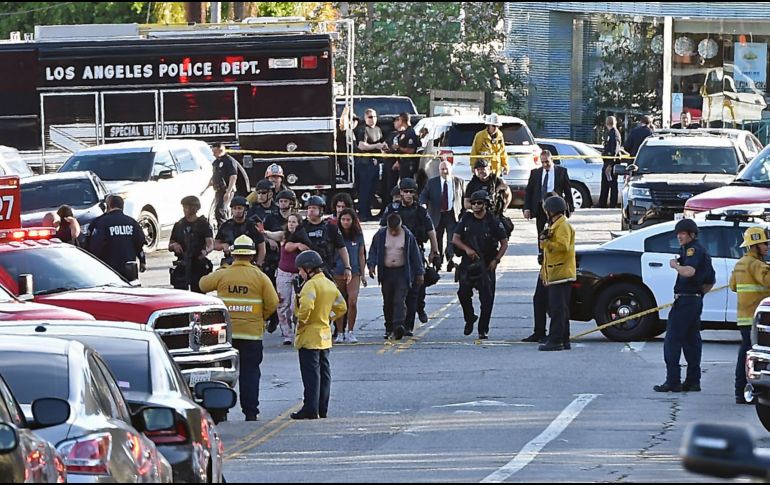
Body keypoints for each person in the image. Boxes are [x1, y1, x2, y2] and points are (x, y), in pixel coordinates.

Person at [199, 235, 279, 421]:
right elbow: (273, 302)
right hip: (251, 334)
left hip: (226, 336)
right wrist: (262, 317)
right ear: (251, 255)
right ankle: (250, 412)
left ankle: (221, 411)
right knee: (250, 372)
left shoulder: (224, 274)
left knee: (223, 372)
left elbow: (202, 285)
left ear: (233, 254)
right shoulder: (260, 277)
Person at [654, 219, 716, 392]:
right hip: (694, 301)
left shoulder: (693, 251)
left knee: (672, 340)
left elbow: (690, 272)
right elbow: (711, 280)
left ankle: (673, 381)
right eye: (677, 233)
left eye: (682, 233)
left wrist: (675, 265)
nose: (678, 236)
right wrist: (699, 295)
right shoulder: (700, 251)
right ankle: (693, 381)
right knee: (691, 340)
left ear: (692, 234)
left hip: (686, 301)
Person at [291, 250, 348, 420]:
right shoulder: (330, 284)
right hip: (324, 335)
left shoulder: (310, 285)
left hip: (309, 335)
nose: (300, 273)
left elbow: (306, 308)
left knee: (311, 375)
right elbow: (341, 307)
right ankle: (322, 408)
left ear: (309, 269)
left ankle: (310, 408)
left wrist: (302, 322)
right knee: (324, 373)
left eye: (301, 270)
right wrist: (327, 317)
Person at [380, 178, 439, 334]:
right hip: (394, 253)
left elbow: (430, 230)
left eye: (411, 192)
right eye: (405, 191)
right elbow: (381, 230)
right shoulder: (392, 209)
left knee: (414, 292)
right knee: (393, 294)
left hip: (415, 254)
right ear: (400, 193)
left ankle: (408, 325)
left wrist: (435, 251)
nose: (408, 195)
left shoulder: (420, 210)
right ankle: (392, 326)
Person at [451, 190, 508, 339]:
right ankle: (470, 318)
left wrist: (496, 260)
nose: (476, 206)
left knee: (487, 299)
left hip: (487, 262)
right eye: (473, 203)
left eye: (479, 203)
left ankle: (483, 329)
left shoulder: (493, 221)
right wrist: (467, 249)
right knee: (463, 293)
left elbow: (504, 243)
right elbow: (455, 239)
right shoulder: (466, 219)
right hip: (468, 262)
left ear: (485, 204)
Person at [729, 226, 770, 404]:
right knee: (753, 357)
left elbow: (732, 286)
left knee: (744, 354)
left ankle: (740, 391)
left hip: (743, 318)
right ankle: (747, 393)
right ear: (755, 245)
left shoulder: (740, 264)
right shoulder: (758, 265)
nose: (767, 247)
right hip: (756, 319)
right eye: (764, 243)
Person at [367, 213, 425, 340]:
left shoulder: (408, 235)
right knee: (388, 301)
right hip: (386, 272)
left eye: (396, 230)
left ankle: (398, 326)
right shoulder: (381, 235)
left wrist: (420, 273)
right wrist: (371, 266)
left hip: (402, 272)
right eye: (391, 230)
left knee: (399, 299)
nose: (393, 232)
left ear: (401, 225)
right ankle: (389, 328)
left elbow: (416, 255)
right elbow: (373, 251)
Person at [266, 213, 312, 345]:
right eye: (289, 221)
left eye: (294, 222)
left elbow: (309, 249)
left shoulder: (304, 237)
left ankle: (298, 331)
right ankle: (287, 334)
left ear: (299, 224)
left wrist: (298, 245)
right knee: (282, 305)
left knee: (295, 305)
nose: (291, 224)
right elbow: (271, 234)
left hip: (299, 274)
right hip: (283, 274)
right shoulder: (283, 235)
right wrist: (264, 232)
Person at [537, 195, 576, 351]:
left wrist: (547, 242)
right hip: (556, 272)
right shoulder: (555, 225)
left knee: (557, 309)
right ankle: (564, 339)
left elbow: (563, 246)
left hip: (561, 273)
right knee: (561, 309)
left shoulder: (563, 226)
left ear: (551, 211)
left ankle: (556, 340)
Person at [420, 160, 465, 272]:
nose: (445, 171)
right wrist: (423, 205)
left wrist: (464, 214)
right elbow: (424, 196)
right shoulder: (431, 183)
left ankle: (450, 259)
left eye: (446, 169)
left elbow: (464, 198)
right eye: (442, 169)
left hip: (452, 214)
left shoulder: (459, 182)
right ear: (439, 170)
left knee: (452, 238)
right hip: (437, 214)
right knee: (437, 238)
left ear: (451, 169)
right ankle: (438, 260)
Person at [89, 195, 146, 281]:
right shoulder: (132, 222)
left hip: (109, 268)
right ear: (122, 206)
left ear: (108, 206)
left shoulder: (101, 222)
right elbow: (139, 244)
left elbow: (96, 245)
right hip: (129, 267)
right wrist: (142, 261)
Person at [333, 208, 367, 344]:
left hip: (354, 273)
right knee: (339, 303)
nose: (345, 222)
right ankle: (340, 332)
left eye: (348, 219)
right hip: (338, 272)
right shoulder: (336, 234)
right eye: (343, 219)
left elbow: (361, 254)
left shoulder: (358, 234)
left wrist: (363, 274)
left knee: (352, 301)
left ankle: (350, 331)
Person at [168, 196, 214, 293]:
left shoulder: (203, 224)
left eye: (186, 207)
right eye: (184, 207)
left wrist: (205, 251)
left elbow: (210, 244)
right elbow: (170, 244)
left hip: (197, 263)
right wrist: (174, 245)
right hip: (183, 263)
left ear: (195, 208)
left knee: (198, 293)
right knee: (180, 295)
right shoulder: (179, 225)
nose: (184, 210)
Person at [524, 150, 574, 236]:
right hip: (540, 207)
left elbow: (567, 191)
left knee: (557, 232)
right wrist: (526, 208)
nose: (544, 165)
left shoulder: (561, 172)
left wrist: (570, 208)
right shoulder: (535, 173)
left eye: (547, 162)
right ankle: (542, 249)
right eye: (542, 162)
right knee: (541, 233)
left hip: (556, 207)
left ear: (552, 159)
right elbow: (529, 191)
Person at [302, 195, 352, 278]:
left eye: (314, 208)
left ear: (321, 210)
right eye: (309, 208)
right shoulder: (301, 227)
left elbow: (341, 248)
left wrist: (347, 267)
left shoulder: (330, 227)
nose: (311, 210)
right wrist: (298, 245)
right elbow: (288, 243)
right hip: (306, 271)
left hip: (326, 270)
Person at [214, 196, 266, 267]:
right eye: (234, 208)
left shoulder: (252, 226)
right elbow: (215, 244)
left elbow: (262, 248)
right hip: (230, 263)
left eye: (240, 208)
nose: (237, 211)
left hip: (249, 263)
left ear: (245, 210)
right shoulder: (225, 226)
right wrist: (223, 245)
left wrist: (258, 265)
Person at [355, 108, 388, 221]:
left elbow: (381, 144)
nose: (372, 119)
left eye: (374, 116)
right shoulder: (363, 130)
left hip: (375, 163)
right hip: (364, 163)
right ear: (365, 118)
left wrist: (383, 148)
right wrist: (376, 146)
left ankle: (368, 213)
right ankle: (363, 214)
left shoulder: (378, 129)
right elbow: (361, 145)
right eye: (369, 117)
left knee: (372, 190)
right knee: (365, 190)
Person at [207, 142, 239, 226]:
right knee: (217, 211)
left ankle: (224, 229)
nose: (213, 154)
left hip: (226, 190)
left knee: (220, 211)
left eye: (215, 152)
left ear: (220, 149)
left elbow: (233, 177)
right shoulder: (216, 162)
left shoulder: (229, 161)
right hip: (218, 190)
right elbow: (215, 175)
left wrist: (228, 191)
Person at [598, 116, 622, 209]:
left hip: (611, 163)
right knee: (605, 184)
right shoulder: (610, 133)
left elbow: (614, 150)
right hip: (607, 162)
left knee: (612, 184)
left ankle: (613, 204)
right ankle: (602, 203)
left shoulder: (614, 133)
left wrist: (611, 165)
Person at [389, 112, 420, 181]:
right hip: (402, 163)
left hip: (408, 164)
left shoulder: (410, 133)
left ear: (402, 120)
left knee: (407, 182)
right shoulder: (404, 132)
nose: (398, 121)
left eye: (399, 119)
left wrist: (398, 147)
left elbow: (411, 150)